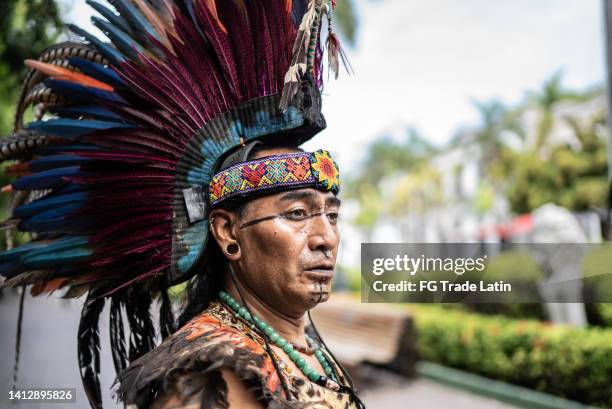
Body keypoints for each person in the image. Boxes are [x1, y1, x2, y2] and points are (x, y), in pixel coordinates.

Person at [0, 0, 361, 408]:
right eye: (297, 214)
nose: (326, 238)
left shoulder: (305, 347)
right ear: (228, 232)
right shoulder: (202, 379)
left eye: (332, 215)